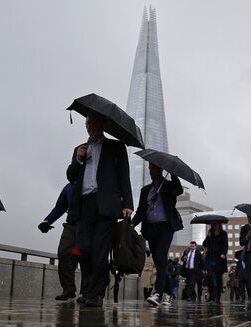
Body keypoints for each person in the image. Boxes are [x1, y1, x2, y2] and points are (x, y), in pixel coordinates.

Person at [66, 112, 133, 307]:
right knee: (84, 247)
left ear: (102, 124)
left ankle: (95, 294)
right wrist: (78, 159)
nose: (90, 126)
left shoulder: (116, 147)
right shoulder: (80, 149)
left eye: (93, 123)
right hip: (84, 204)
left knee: (100, 250)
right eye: (87, 123)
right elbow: (71, 176)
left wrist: (127, 203)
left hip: (106, 204)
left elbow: (124, 176)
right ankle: (96, 283)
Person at [131, 163, 184, 306]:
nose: (150, 171)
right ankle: (169, 292)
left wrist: (173, 173)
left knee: (161, 257)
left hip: (166, 227)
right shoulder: (145, 190)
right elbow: (141, 211)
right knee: (159, 261)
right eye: (149, 169)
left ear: (160, 169)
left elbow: (178, 190)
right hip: (151, 229)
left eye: (153, 168)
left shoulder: (168, 186)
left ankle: (158, 293)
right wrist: (132, 224)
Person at [38, 178, 80, 300]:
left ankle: (87, 292)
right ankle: (68, 289)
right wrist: (47, 221)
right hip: (71, 225)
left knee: (86, 258)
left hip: (89, 226)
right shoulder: (69, 187)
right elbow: (60, 207)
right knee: (63, 252)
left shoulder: (93, 184)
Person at [202, 222, 228, 304]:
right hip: (210, 257)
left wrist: (224, 253)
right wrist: (208, 236)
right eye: (212, 224)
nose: (213, 225)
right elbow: (204, 244)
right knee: (209, 275)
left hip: (220, 257)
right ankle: (211, 296)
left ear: (219, 225)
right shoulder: (210, 233)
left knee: (218, 277)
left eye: (215, 224)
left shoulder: (224, 234)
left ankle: (217, 297)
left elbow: (225, 245)